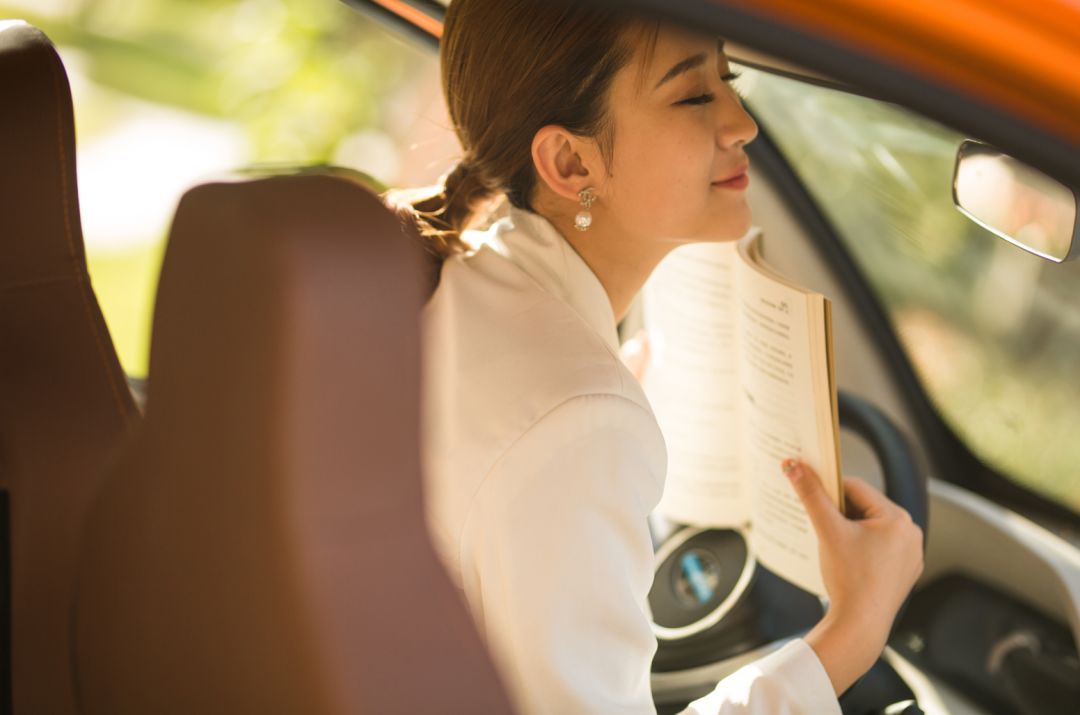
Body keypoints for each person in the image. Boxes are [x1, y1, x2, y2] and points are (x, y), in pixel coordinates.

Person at [398, 1, 925, 712]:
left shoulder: (472, 287)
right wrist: (850, 632)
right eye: (694, 93)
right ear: (568, 161)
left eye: (728, 76)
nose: (743, 123)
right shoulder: (575, 418)